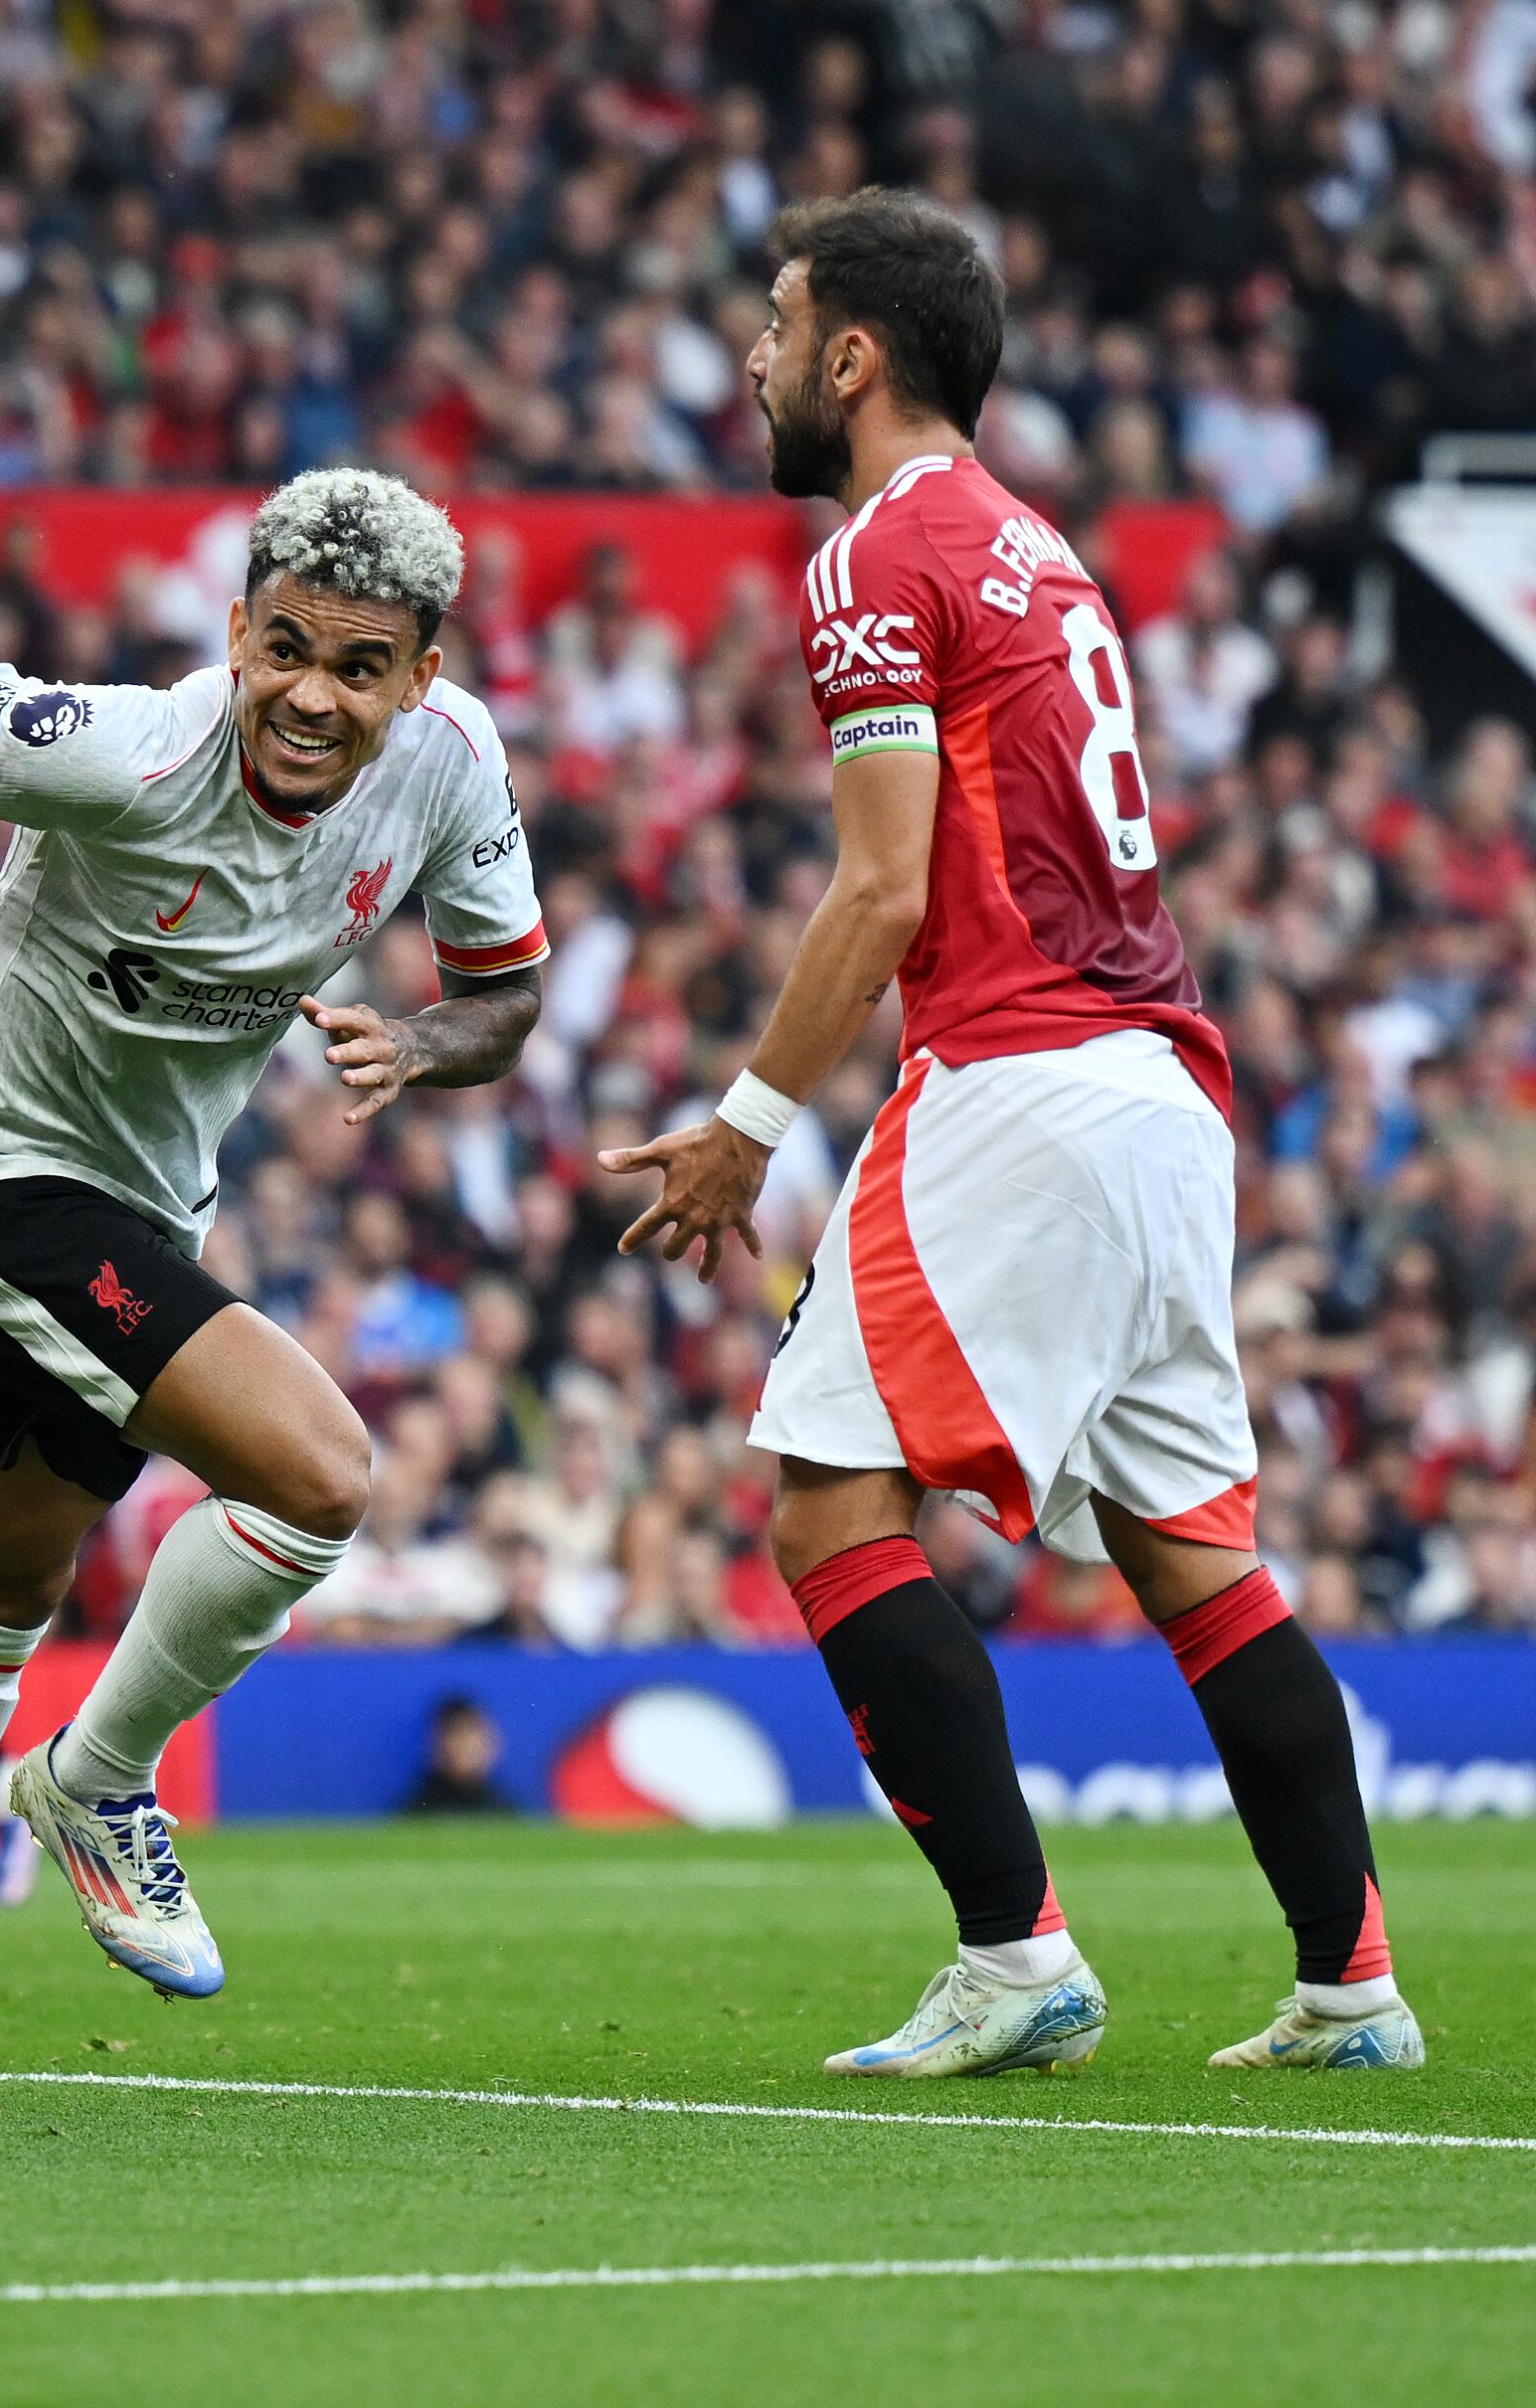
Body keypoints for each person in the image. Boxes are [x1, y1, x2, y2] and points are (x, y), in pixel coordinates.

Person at [600, 192, 1419, 2079]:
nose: (756, 356)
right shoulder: (1040, 547)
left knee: (822, 1498)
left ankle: (1015, 1956)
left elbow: (883, 888)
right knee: (1193, 1549)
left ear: (853, 358)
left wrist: (742, 1124)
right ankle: (1351, 1981)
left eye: (780, 320)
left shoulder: (878, 550)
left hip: (1021, 1069)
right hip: (1164, 1091)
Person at [0, 466, 548, 2091]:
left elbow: (507, 995)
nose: (314, 694)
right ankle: (102, 1775)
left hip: (139, 1206)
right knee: (319, 1470)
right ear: (237, 631)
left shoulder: (453, 774)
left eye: (362, 665)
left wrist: (423, 1040)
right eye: (288, 648)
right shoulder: (127, 745)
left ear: (425, 679)